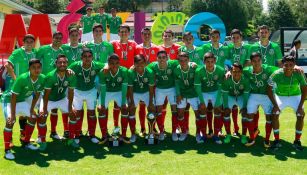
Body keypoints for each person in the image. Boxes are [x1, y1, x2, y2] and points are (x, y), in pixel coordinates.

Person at [3, 59, 45, 160]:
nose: (36, 70)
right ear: (29, 69)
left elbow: (37, 95)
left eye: (38, 67)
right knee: (10, 122)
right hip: (8, 101)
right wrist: (13, 115)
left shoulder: (42, 78)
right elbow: (13, 97)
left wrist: (31, 109)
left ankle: (26, 142)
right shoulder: (22, 78)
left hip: (21, 100)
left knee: (33, 117)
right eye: (33, 68)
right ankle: (7, 150)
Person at [267, 55, 307, 151]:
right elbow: (268, 89)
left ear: (294, 65)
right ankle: (277, 140)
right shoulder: (276, 74)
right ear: (282, 65)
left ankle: (297, 141)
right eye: (286, 65)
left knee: (300, 115)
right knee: (274, 113)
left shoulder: (299, 74)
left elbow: (305, 90)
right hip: (280, 96)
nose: (288, 67)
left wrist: (300, 106)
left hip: (295, 96)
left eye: (291, 65)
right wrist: (276, 106)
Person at [40, 55, 78, 148]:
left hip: (61, 98)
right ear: (55, 64)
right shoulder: (50, 76)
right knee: (42, 116)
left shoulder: (71, 75)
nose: (62, 64)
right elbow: (46, 95)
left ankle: (71, 139)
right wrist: (44, 109)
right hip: (49, 100)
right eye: (60, 62)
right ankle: (43, 141)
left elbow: (71, 92)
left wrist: (70, 107)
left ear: (67, 64)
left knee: (73, 114)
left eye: (64, 62)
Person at [4, 34, 37, 142]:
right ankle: (10, 141)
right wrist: (15, 79)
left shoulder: (34, 53)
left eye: (31, 42)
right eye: (27, 41)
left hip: (28, 89)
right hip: (16, 89)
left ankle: (23, 137)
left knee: (25, 115)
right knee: (11, 118)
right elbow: (8, 65)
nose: (29, 43)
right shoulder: (17, 52)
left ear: (34, 43)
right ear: (23, 42)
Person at [68, 48, 104, 144]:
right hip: (77, 92)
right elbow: (66, 70)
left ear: (92, 57)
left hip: (91, 91)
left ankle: (91, 134)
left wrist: (107, 67)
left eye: (89, 56)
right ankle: (77, 134)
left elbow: (107, 65)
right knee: (77, 113)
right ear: (81, 57)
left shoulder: (96, 65)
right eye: (85, 56)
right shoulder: (75, 66)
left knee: (92, 113)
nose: (87, 58)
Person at [243, 52, 278, 147]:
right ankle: (251, 138)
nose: (257, 63)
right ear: (251, 62)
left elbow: (282, 70)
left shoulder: (268, 69)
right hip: (254, 95)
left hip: (267, 95)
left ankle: (267, 140)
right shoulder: (247, 70)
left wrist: (296, 67)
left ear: (262, 61)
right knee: (249, 115)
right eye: (254, 61)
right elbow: (237, 70)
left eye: (258, 61)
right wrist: (229, 72)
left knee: (269, 117)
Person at [36, 31, 65, 140]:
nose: (58, 40)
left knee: (54, 109)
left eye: (60, 38)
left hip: (57, 83)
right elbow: (35, 63)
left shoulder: (62, 51)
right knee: (42, 110)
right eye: (56, 38)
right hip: (43, 83)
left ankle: (53, 132)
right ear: (52, 38)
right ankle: (40, 135)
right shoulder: (43, 49)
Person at [97, 54, 129, 143]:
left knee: (125, 109)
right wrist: (102, 104)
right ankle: (104, 135)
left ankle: (123, 135)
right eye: (111, 63)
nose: (114, 65)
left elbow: (124, 88)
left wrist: (123, 103)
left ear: (119, 63)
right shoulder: (102, 72)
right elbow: (103, 89)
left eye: (116, 63)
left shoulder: (124, 71)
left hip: (119, 91)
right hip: (106, 92)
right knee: (101, 109)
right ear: (108, 64)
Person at [147, 50, 178, 141]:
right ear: (157, 59)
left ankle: (174, 132)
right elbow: (144, 68)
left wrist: (192, 63)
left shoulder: (173, 63)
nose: (162, 59)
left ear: (167, 58)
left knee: (174, 110)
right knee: (158, 110)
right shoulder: (153, 66)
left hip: (172, 89)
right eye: (159, 58)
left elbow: (184, 61)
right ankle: (161, 131)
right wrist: (133, 66)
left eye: (164, 57)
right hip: (159, 89)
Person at [194, 52, 225, 144]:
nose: (210, 64)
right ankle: (203, 135)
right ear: (204, 62)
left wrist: (217, 101)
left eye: (212, 61)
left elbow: (220, 87)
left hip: (216, 92)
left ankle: (216, 135)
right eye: (208, 62)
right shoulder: (199, 71)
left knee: (218, 111)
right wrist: (202, 102)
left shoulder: (220, 70)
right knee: (202, 111)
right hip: (203, 92)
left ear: (215, 61)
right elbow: (198, 87)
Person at [111, 25, 137, 129]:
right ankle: (116, 127)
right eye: (121, 32)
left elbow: (138, 59)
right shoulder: (113, 44)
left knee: (131, 103)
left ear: (129, 33)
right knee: (117, 104)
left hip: (130, 77)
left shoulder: (134, 44)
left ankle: (134, 129)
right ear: (118, 33)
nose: (123, 33)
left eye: (125, 31)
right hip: (117, 76)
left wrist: (133, 66)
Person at [135, 27, 160, 136]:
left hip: (153, 80)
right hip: (141, 80)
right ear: (141, 35)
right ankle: (142, 128)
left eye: (148, 34)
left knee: (152, 105)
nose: (146, 36)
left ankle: (152, 128)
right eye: (144, 34)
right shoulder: (137, 48)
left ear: (151, 35)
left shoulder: (157, 48)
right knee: (141, 106)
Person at [228, 29, 251, 136]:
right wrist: (230, 71)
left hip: (244, 77)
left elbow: (248, 61)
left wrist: (240, 71)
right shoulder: (228, 48)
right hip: (232, 77)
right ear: (231, 38)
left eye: (238, 37)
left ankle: (251, 129)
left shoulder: (247, 48)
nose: (235, 39)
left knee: (248, 105)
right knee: (233, 105)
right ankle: (236, 128)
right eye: (233, 37)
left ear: (241, 38)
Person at [127, 54, 155, 142]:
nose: (140, 66)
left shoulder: (150, 72)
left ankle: (151, 133)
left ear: (146, 63)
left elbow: (151, 89)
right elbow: (130, 88)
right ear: (134, 64)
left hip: (146, 92)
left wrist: (150, 102)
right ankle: (133, 134)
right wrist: (131, 101)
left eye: (142, 63)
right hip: (135, 93)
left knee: (152, 110)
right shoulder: (130, 72)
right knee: (131, 110)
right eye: (137, 63)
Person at [221, 62, 250, 144]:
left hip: (241, 96)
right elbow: (225, 94)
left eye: (238, 71)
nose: (236, 73)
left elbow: (246, 94)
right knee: (226, 113)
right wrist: (226, 107)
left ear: (241, 72)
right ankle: (228, 134)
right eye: (234, 71)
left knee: (245, 113)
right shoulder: (226, 79)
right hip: (230, 96)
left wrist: (244, 107)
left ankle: (244, 136)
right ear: (231, 71)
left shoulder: (245, 80)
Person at [173, 52, 199, 142]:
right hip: (182, 94)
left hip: (193, 94)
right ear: (178, 61)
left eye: (185, 60)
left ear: (189, 60)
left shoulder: (194, 67)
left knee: (198, 114)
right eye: (181, 60)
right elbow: (176, 83)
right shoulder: (176, 69)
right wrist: (178, 94)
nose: (183, 62)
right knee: (180, 113)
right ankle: (184, 132)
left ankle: (198, 133)